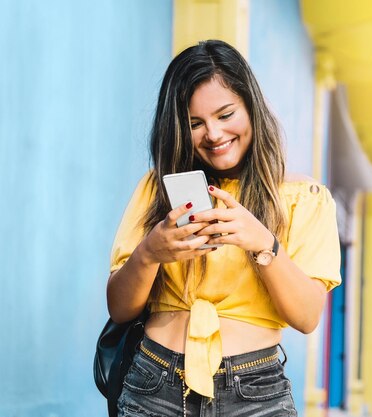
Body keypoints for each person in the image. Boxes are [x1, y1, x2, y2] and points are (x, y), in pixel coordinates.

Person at [106, 39, 342, 416]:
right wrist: (150, 253)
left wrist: (263, 243)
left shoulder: (304, 197)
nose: (213, 134)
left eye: (226, 114)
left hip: (254, 392)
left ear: (251, 107)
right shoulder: (157, 190)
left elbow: (307, 317)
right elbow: (119, 309)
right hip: (155, 383)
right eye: (195, 123)